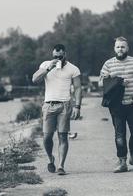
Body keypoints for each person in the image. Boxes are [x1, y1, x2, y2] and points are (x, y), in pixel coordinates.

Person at [99, 37, 133, 173]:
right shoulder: (108, 64)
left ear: (127, 48)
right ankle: (122, 162)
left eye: (123, 47)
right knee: (120, 135)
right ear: (114, 48)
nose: (120, 49)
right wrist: (116, 80)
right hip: (116, 105)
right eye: (118, 47)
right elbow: (101, 83)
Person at [32, 44, 82, 175]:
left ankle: (61, 166)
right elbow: (34, 79)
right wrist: (49, 68)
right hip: (48, 105)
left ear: (65, 54)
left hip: (65, 105)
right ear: (52, 55)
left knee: (63, 136)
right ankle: (51, 158)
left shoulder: (73, 68)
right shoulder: (45, 65)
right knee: (47, 137)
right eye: (55, 56)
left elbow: (77, 88)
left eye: (60, 56)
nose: (57, 58)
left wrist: (77, 106)